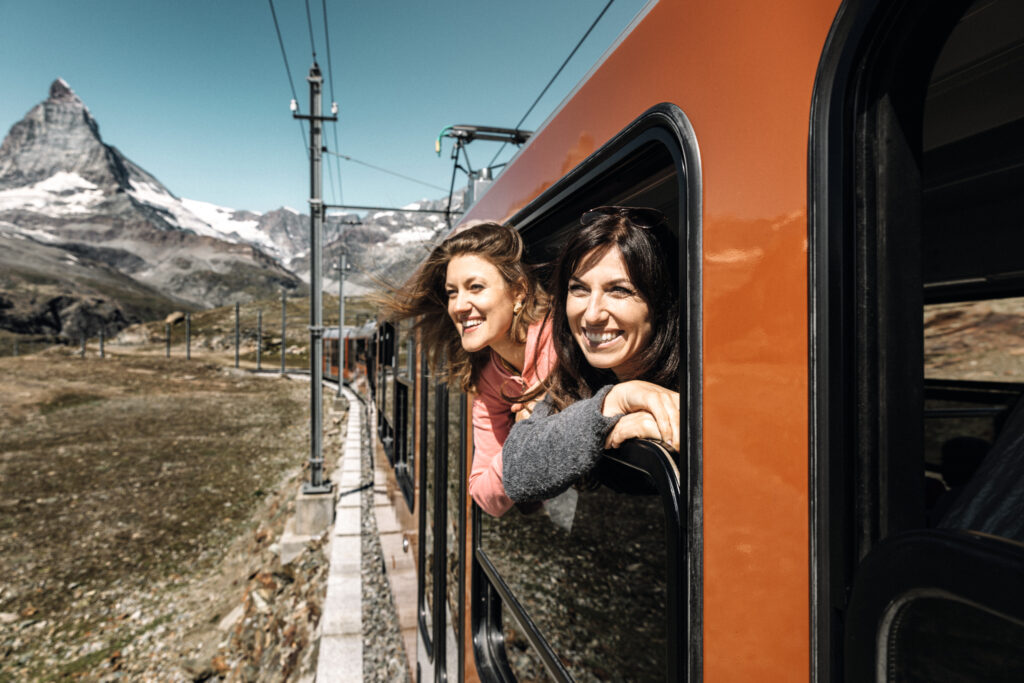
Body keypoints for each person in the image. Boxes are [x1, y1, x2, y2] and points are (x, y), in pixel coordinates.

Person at [502, 206, 680, 504]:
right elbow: (518, 473)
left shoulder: (704, 381)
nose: (592, 314)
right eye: (579, 289)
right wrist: (612, 403)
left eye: (619, 290)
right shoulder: (576, 374)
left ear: (660, 302)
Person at [383, 221, 555, 516]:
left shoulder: (563, 342)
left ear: (518, 292)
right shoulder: (489, 379)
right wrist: (523, 437)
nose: (459, 306)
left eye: (475, 287)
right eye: (452, 292)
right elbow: (484, 497)